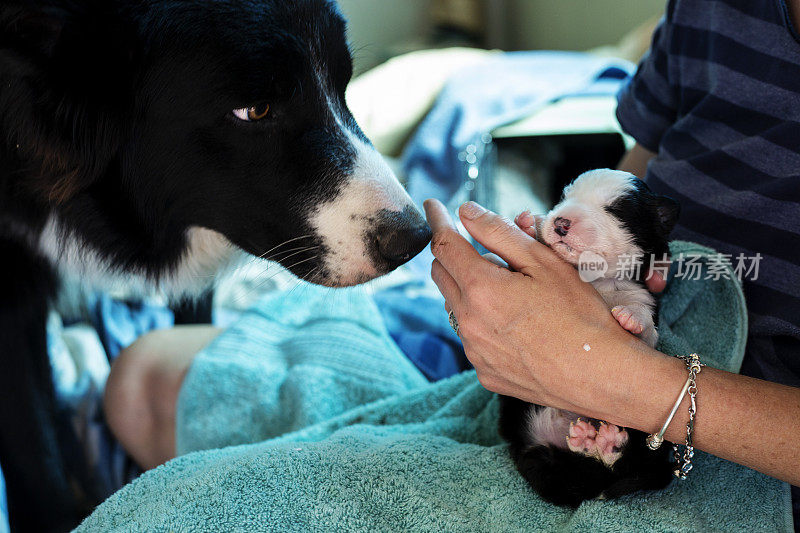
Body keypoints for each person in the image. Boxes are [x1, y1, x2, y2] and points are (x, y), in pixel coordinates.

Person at [104, 0, 800, 526]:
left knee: (176, 507)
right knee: (142, 378)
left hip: (725, 446)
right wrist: (559, 273)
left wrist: (619, 377)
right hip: (580, 344)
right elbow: (629, 181)